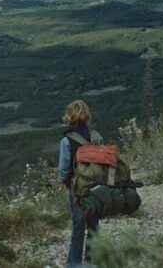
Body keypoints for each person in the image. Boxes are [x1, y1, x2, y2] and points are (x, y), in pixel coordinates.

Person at [58, 99, 101, 267]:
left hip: (77, 187)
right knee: (93, 224)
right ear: (87, 116)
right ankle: (92, 260)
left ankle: (74, 262)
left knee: (78, 225)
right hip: (96, 186)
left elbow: (63, 168)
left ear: (69, 117)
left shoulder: (66, 141)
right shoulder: (96, 136)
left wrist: (65, 181)